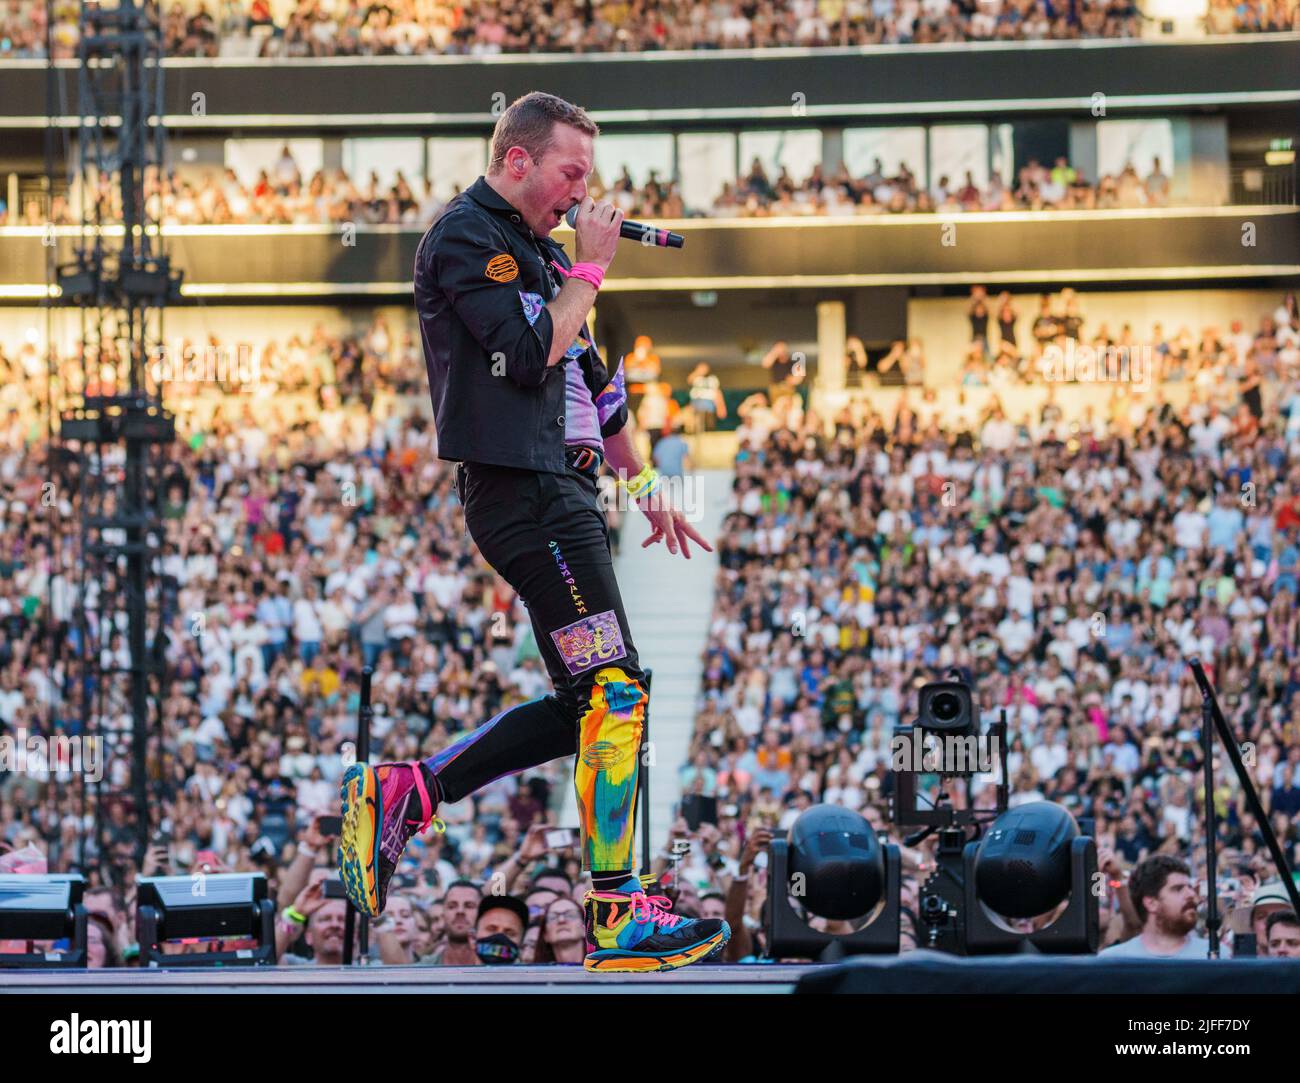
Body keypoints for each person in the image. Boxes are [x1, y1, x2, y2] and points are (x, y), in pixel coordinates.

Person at [339, 91, 728, 973]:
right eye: (572, 173)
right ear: (517, 161)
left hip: (566, 494)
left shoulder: (541, 252)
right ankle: (618, 912)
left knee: (585, 705)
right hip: (527, 495)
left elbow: (593, 376)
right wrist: (588, 271)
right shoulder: (466, 238)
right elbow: (525, 356)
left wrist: (647, 484)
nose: (583, 192)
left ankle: (413, 788)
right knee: (619, 693)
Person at [1100, 854, 1210, 959]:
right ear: (1151, 903)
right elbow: (1131, 922)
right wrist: (1108, 877)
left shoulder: (1216, 956)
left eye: (1190, 887)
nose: (1192, 894)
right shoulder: (1113, 961)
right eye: (1178, 889)